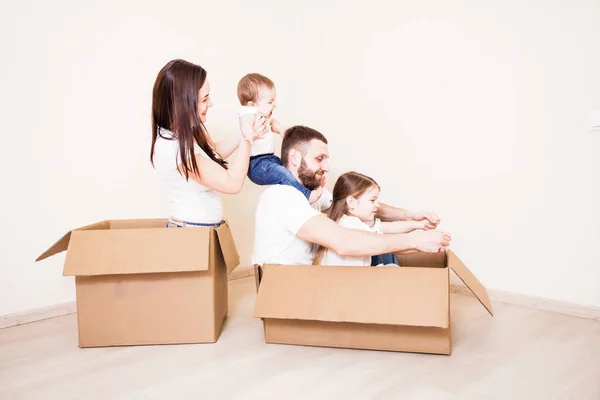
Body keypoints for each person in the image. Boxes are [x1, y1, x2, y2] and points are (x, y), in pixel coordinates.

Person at [252, 125, 450, 266]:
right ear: (295, 158)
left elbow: (357, 202)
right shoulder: (281, 196)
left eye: (326, 159)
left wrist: (409, 216)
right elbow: (343, 242)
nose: (326, 167)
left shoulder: (310, 195)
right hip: (289, 290)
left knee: (380, 249)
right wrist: (415, 240)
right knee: (371, 245)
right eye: (319, 159)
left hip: (313, 279)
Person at [150, 59, 267, 228]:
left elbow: (213, 153)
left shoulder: (189, 130)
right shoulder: (173, 147)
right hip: (190, 233)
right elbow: (232, 183)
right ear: (184, 103)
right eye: (204, 99)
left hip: (202, 230)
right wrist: (246, 139)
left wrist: (246, 132)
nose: (210, 104)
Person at [237, 73, 323, 204]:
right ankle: (306, 195)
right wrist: (251, 134)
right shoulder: (248, 113)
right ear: (252, 104)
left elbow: (273, 123)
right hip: (257, 165)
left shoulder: (263, 116)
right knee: (284, 174)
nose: (274, 105)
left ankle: (302, 189)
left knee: (290, 170)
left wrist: (282, 130)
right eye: (270, 102)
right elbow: (245, 124)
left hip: (269, 159)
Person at [313, 171, 430, 267]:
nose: (378, 205)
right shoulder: (354, 226)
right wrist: (424, 242)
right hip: (351, 284)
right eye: (372, 200)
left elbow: (391, 228)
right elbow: (394, 244)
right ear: (351, 202)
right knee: (387, 251)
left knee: (387, 249)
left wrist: (419, 225)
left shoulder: (345, 222)